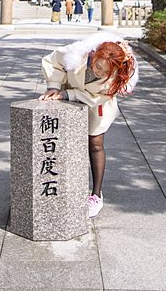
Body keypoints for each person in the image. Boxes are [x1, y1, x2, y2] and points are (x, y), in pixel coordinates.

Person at [39, 32, 138, 217]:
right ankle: (62, 184)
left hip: (97, 105)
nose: (99, 72)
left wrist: (70, 95)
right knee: (61, 140)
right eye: (98, 66)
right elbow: (54, 61)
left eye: (104, 71)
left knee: (95, 143)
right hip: (66, 98)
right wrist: (54, 85)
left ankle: (96, 194)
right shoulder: (78, 52)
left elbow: (98, 97)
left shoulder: (116, 79)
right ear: (95, 54)